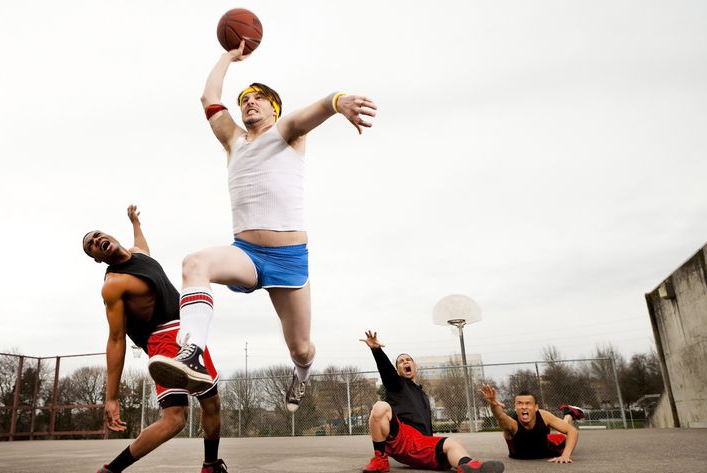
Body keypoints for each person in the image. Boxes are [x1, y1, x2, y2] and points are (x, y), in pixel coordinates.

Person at [147, 40, 377, 412]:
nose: (248, 103)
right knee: (194, 263)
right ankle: (190, 354)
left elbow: (314, 111)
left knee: (301, 348)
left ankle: (300, 377)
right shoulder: (233, 140)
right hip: (247, 255)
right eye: (243, 100)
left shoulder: (287, 132)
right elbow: (208, 97)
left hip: (289, 259)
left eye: (257, 98)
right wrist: (228, 57)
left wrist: (339, 101)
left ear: (274, 107)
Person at [83, 205, 227, 473]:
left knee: (213, 403)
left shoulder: (138, 255)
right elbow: (116, 339)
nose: (95, 241)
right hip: (163, 337)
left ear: (109, 235)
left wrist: (135, 222)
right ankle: (111, 470)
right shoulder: (114, 284)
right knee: (174, 419)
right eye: (90, 245)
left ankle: (210, 465)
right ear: (97, 257)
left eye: (96, 235)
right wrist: (111, 397)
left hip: (187, 333)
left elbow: (142, 247)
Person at [359, 331, 505, 473]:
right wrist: (376, 350)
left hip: (421, 444)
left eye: (408, 360)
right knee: (380, 407)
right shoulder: (398, 384)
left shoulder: (422, 395)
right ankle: (380, 459)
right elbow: (387, 373)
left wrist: (434, 446)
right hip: (402, 437)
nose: (405, 362)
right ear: (398, 370)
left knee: (456, 444)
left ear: (415, 367)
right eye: (401, 362)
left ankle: (467, 466)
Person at [480, 385, 582, 463]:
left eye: (528, 403)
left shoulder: (544, 416)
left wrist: (565, 455)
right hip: (523, 453)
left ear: (536, 407)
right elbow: (500, 416)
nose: (524, 407)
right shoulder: (512, 424)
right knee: (560, 434)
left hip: (548, 450)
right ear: (515, 407)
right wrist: (493, 404)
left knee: (563, 433)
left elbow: (572, 431)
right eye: (520, 403)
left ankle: (569, 413)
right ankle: (568, 413)